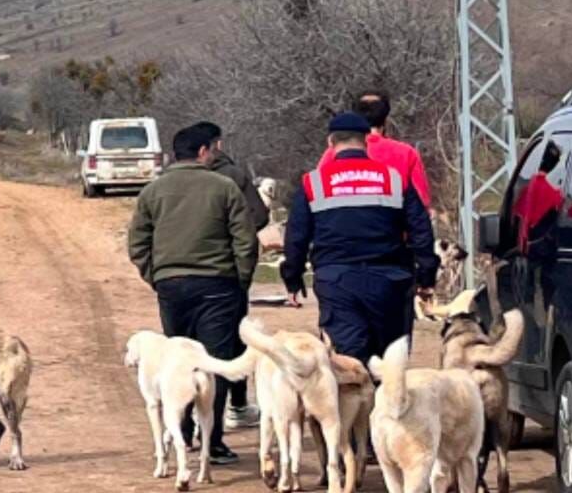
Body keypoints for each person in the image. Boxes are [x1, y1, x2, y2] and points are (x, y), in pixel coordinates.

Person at [128, 124, 258, 465]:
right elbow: (245, 240)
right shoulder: (224, 187)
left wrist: (155, 275)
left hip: (172, 287)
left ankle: (181, 434)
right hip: (218, 285)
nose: (214, 154)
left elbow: (137, 242)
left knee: (178, 361)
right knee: (212, 364)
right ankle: (211, 442)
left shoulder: (153, 191)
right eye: (212, 149)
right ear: (202, 151)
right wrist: (240, 280)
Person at [285, 112, 437, 363]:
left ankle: (357, 400)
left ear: (330, 143)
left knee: (349, 364)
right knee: (391, 363)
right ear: (366, 141)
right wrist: (426, 275)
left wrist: (292, 278)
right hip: (390, 281)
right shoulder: (393, 180)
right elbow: (421, 230)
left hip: (337, 282)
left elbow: (296, 236)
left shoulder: (313, 183)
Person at [187, 121, 264, 430]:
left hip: (179, 276)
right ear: (214, 146)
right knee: (230, 342)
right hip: (225, 272)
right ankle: (236, 406)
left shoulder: (168, 180)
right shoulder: (233, 176)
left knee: (187, 343)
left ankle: (188, 419)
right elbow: (258, 216)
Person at [318, 90, 432, 207]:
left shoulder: (334, 152)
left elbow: (317, 196)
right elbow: (422, 201)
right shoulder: (406, 153)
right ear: (386, 119)